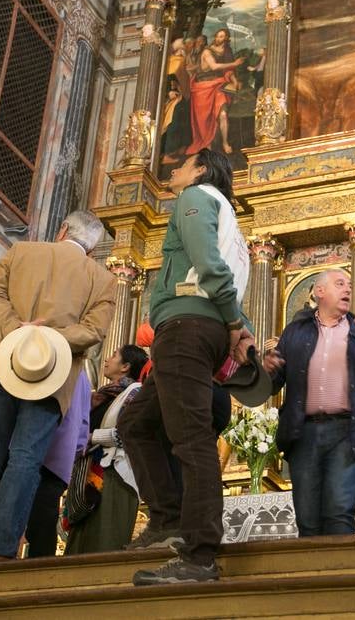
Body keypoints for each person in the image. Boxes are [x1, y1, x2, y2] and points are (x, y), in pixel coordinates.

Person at [119, 149, 255, 586]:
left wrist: (235, 322)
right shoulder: (233, 223)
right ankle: (167, 520)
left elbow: (207, 263)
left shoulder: (196, 196)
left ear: (200, 170)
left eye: (182, 164)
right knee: (137, 422)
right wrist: (242, 327)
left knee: (191, 439)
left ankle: (199, 554)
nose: (173, 170)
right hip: (203, 326)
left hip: (187, 326)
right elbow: (229, 275)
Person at [0, 210, 116, 563]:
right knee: (25, 460)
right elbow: (94, 331)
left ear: (63, 229)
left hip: (1, 366)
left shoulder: (22, 251)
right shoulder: (101, 279)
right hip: (51, 380)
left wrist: (17, 331)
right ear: (93, 247)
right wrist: (49, 340)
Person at [262, 269, 355, 537]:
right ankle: (312, 577)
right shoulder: (295, 332)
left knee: (339, 513)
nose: (348, 289)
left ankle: (339, 578)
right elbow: (274, 384)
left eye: (349, 285)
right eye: (340, 284)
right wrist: (268, 368)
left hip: (347, 433)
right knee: (307, 517)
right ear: (319, 292)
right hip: (304, 433)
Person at [65, 345, 149, 554]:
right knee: (78, 544)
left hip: (115, 474)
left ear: (125, 367)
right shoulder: (102, 395)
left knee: (103, 540)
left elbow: (127, 434)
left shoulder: (136, 392)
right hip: (88, 473)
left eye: (113, 355)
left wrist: (90, 437)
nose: (106, 359)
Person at [23, 367, 92, 558]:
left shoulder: (56, 364)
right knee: (44, 519)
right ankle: (41, 571)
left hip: (36, 448)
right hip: (62, 456)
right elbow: (84, 423)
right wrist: (74, 451)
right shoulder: (84, 378)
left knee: (28, 516)